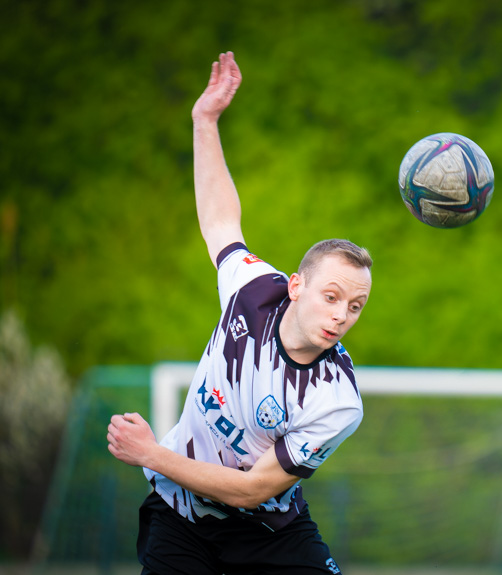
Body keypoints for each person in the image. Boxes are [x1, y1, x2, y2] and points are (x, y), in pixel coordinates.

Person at [107, 52, 373, 575]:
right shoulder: (255, 291)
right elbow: (221, 220)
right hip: (180, 517)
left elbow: (254, 491)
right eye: (332, 295)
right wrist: (204, 120)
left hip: (268, 533)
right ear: (295, 286)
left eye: (356, 306)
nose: (342, 314)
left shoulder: (337, 400)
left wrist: (150, 453)